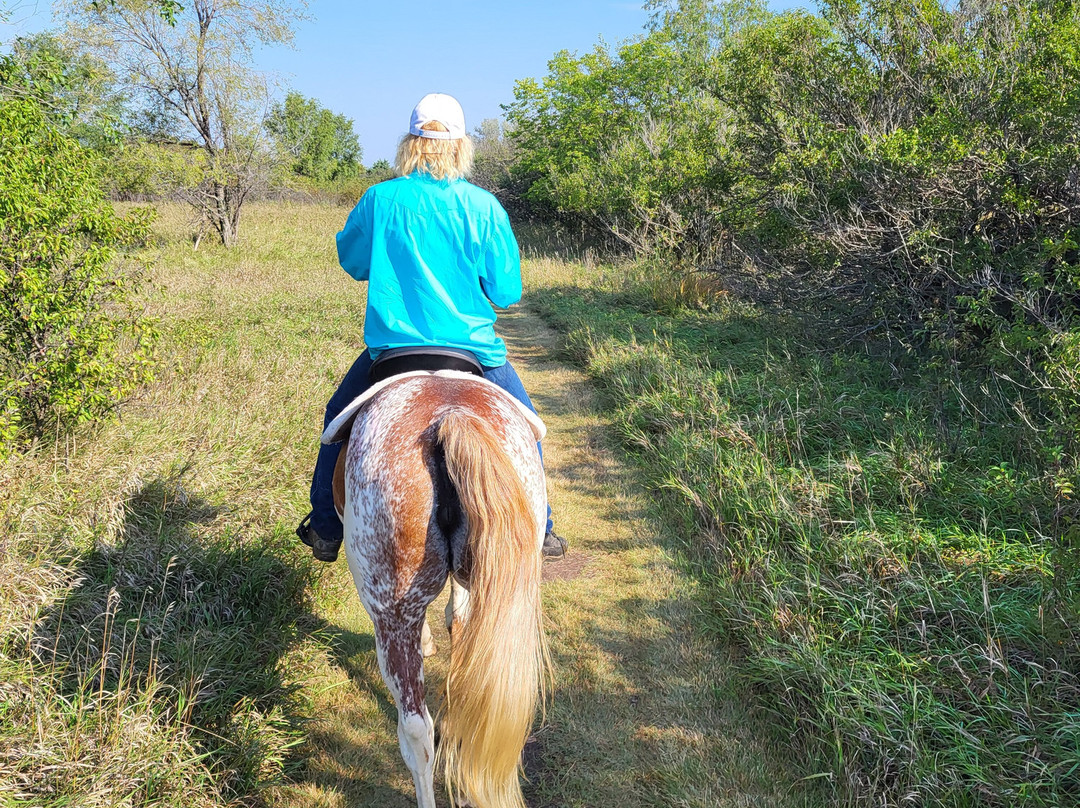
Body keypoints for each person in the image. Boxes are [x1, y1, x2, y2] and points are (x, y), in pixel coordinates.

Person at [297, 92, 566, 563]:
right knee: (528, 427)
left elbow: (353, 261)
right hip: (473, 353)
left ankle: (324, 528)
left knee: (335, 419)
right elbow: (506, 292)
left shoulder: (379, 199)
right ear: (461, 146)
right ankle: (542, 527)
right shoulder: (484, 207)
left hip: (393, 354)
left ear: (410, 142)